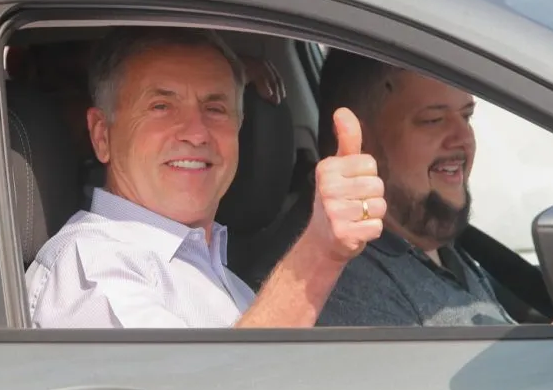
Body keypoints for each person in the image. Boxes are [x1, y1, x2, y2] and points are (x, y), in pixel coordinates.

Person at [24, 27, 386, 328]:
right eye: (161, 107)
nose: (196, 133)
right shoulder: (89, 267)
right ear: (103, 135)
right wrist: (320, 253)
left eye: (215, 109)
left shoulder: (218, 274)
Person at [314, 49, 550, 327]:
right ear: (361, 140)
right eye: (433, 120)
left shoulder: (435, 243)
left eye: (466, 117)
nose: (464, 139)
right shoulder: (348, 287)